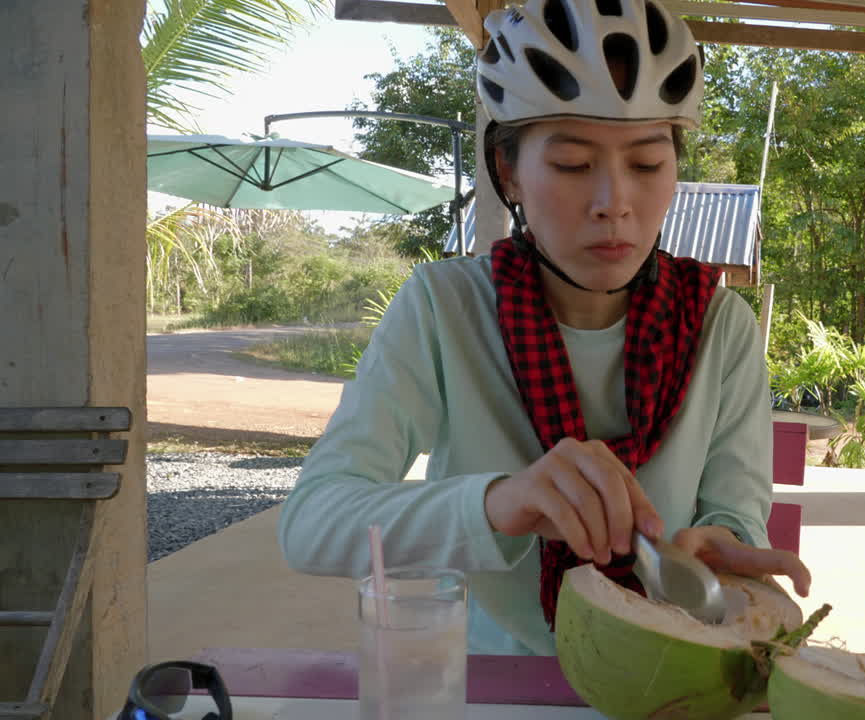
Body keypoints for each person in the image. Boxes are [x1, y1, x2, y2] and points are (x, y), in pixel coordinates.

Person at [277, 0, 810, 656]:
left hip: (669, 669)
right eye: (572, 165)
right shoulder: (445, 310)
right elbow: (312, 524)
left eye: (646, 164)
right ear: (509, 173)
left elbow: (733, 518)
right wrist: (500, 503)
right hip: (491, 684)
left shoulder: (719, 324)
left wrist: (721, 551)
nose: (613, 202)